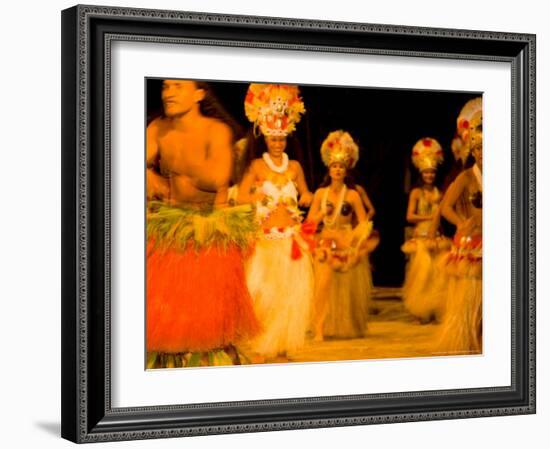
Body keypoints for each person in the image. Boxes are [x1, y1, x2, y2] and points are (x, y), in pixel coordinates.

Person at [145, 79, 260, 368]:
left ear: (198, 94)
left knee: (207, 323)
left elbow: (216, 179)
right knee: (168, 320)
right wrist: (149, 175)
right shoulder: (156, 129)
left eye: (178, 86)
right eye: (165, 86)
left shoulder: (216, 130)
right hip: (172, 228)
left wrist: (176, 159)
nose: (168, 93)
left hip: (209, 230)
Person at [237, 83, 315, 360]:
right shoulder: (257, 166)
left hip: (291, 240)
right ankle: (265, 342)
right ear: (265, 138)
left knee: (290, 297)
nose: (277, 143)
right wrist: (256, 193)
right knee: (266, 296)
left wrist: (306, 195)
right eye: (273, 139)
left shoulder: (294, 167)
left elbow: (306, 191)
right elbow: (241, 196)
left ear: (286, 139)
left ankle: (282, 343)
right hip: (266, 241)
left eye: (281, 139)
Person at [307, 130, 378, 341]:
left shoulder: (353, 194)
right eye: (334, 166)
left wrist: (353, 240)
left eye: (341, 166)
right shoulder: (320, 194)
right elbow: (309, 224)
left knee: (345, 291)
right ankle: (319, 328)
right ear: (329, 169)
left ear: (346, 170)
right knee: (322, 287)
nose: (337, 170)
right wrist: (322, 213)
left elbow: (365, 224)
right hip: (325, 245)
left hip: (346, 245)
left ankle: (344, 325)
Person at [436, 97, 483, 355]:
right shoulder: (466, 177)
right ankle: (471, 343)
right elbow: (445, 207)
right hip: (473, 245)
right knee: (472, 301)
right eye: (477, 149)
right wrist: (460, 222)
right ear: (472, 151)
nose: (481, 153)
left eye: (486, 148)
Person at [401, 138, 450, 323]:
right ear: (421, 173)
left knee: (437, 276)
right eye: (426, 172)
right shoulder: (416, 193)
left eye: (432, 172)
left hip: (436, 238)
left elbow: (445, 213)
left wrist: (437, 219)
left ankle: (435, 309)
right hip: (420, 238)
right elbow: (409, 216)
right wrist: (431, 217)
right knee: (421, 277)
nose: (429, 175)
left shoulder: (440, 192)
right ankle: (421, 311)